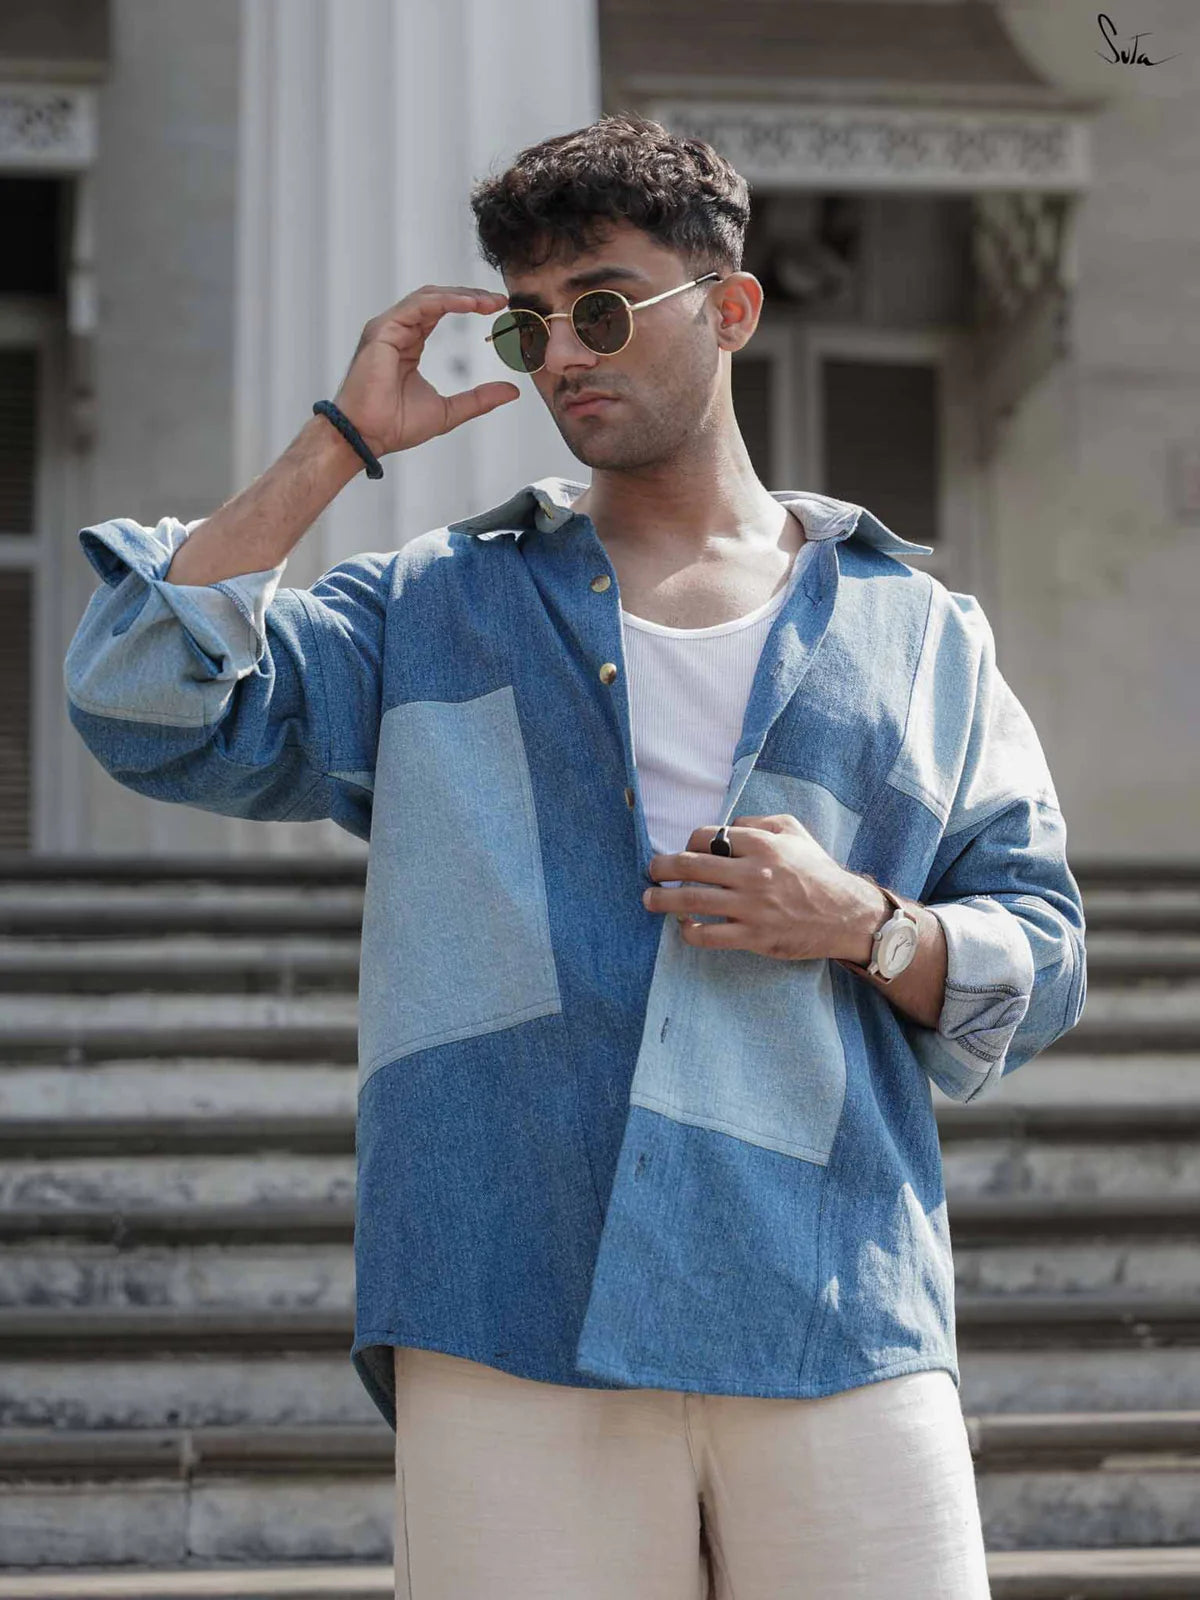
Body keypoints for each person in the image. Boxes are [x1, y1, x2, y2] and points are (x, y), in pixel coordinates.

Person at [64, 114, 1086, 1599]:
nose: (563, 357)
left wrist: (866, 924)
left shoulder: (915, 634)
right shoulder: (428, 611)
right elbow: (145, 701)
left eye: (602, 308)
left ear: (730, 309)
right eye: (532, 326)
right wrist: (336, 446)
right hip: (507, 1290)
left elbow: (1040, 950)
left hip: (826, 1291)